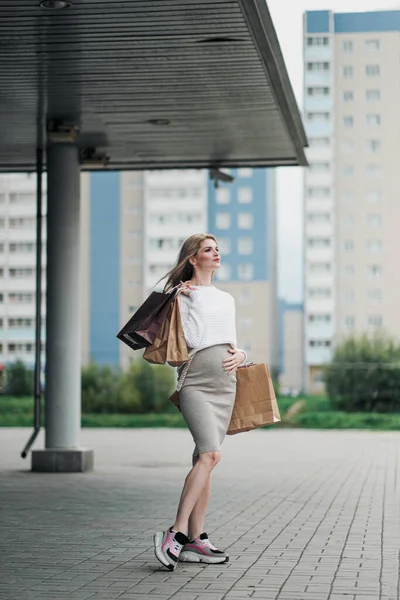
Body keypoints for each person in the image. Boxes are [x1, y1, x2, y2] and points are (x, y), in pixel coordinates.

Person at [153, 233, 247, 571]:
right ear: (193, 258)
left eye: (218, 249)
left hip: (226, 383)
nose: (216, 254)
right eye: (208, 250)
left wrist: (242, 354)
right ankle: (175, 534)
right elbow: (186, 340)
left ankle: (196, 539)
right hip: (195, 379)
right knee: (210, 455)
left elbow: (231, 341)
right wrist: (175, 298)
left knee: (202, 458)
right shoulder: (181, 295)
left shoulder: (226, 298)